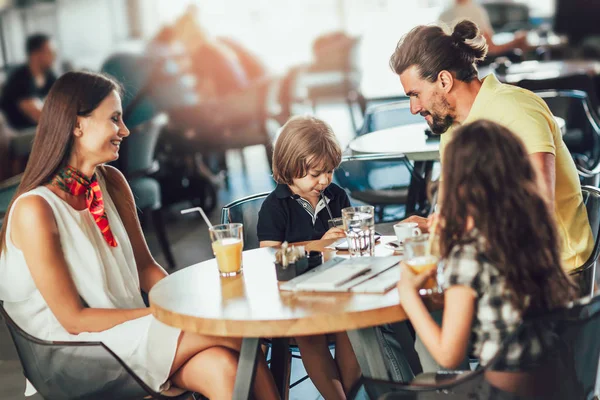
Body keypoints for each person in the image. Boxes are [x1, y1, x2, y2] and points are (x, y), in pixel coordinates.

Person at [0, 71, 279, 399]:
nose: (125, 130)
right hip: (77, 352)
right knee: (242, 335)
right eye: (114, 119)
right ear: (77, 125)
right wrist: (165, 314)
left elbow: (147, 269)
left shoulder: (112, 182)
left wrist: (185, 303)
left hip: (130, 330)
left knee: (223, 367)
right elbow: (73, 320)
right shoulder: (36, 209)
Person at [389, 19, 593, 270]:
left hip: (552, 271)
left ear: (444, 81)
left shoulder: (515, 109)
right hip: (494, 260)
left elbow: (538, 213)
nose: (413, 108)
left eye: (415, 95)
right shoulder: (452, 129)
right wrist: (433, 226)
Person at [397, 119, 578, 395]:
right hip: (559, 387)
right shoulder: (535, 231)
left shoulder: (468, 254)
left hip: (504, 394)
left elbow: (448, 355)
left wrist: (408, 296)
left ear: (460, 183)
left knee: (419, 384)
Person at [257, 115, 360, 399]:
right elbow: (269, 257)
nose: (324, 180)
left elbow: (348, 243)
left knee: (352, 328)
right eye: (315, 174)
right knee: (309, 333)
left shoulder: (337, 196)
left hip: (336, 288)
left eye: (329, 171)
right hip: (294, 296)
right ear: (290, 168)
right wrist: (316, 245)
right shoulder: (274, 207)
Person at [0, 33, 57, 129]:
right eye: (50, 52)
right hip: (19, 134)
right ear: (35, 54)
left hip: (39, 130)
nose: (54, 56)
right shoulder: (19, 79)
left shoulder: (49, 75)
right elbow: (40, 116)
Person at [438, 0, 528, 58]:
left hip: (457, 60)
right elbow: (491, 47)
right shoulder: (474, 10)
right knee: (517, 51)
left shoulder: (443, 14)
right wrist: (516, 40)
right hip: (480, 59)